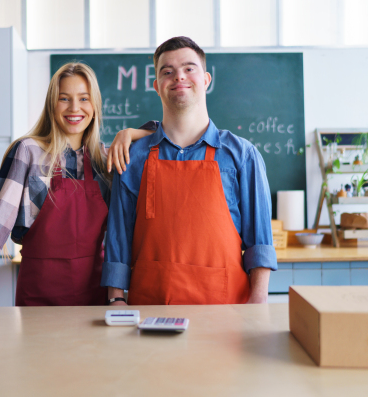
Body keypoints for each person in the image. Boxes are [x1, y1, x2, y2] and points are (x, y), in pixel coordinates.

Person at [0, 62, 153, 310]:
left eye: (84, 99)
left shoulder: (106, 159)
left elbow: (162, 136)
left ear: (95, 106)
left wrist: (128, 133)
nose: (74, 107)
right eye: (64, 98)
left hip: (94, 295)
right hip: (39, 294)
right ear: (52, 105)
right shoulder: (29, 152)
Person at [102, 37, 277, 306]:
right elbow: (119, 237)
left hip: (226, 313)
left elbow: (260, 242)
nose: (179, 77)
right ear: (156, 86)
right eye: (167, 71)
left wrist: (257, 304)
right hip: (151, 310)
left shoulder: (242, 155)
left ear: (206, 79)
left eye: (189, 68)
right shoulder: (132, 157)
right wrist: (116, 300)